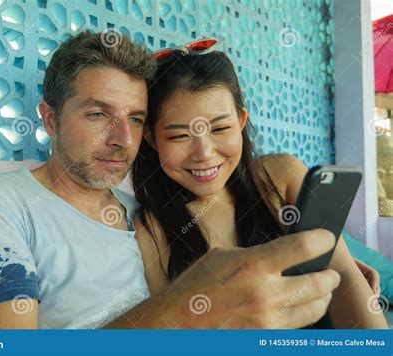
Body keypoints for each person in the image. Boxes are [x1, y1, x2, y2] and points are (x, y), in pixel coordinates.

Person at [0, 32, 377, 329]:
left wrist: (337, 272)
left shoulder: (140, 215)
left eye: (136, 119)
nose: (122, 139)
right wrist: (184, 311)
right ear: (49, 119)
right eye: (97, 114)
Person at [132, 39, 388, 328]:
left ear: (241, 121)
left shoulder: (281, 176)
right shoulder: (153, 231)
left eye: (221, 128)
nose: (204, 154)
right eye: (180, 136)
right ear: (152, 139)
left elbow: (346, 278)